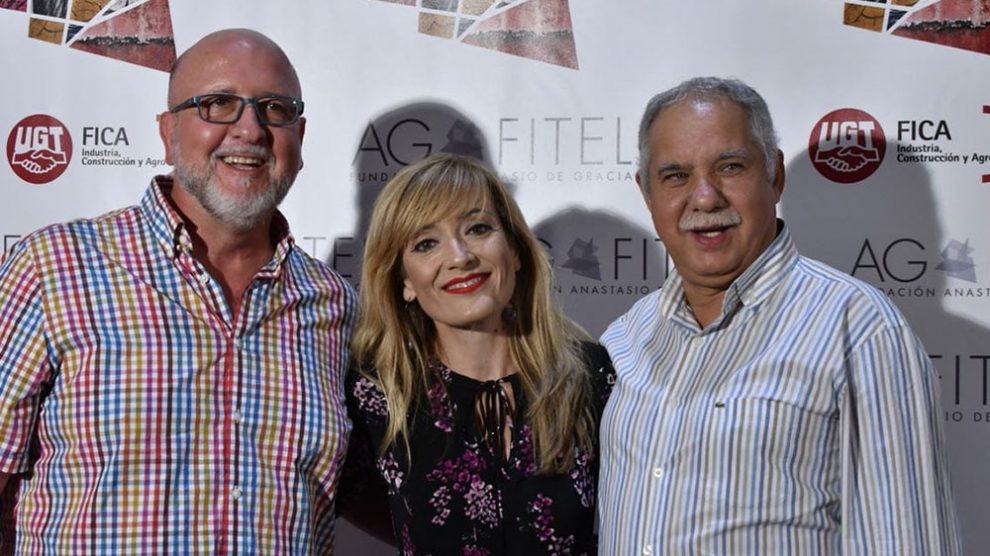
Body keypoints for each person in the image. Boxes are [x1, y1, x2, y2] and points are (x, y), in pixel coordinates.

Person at [0, 29, 356, 553]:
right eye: (218, 104)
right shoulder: (55, 267)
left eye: (274, 108)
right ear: (168, 132)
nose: (250, 129)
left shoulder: (335, 304)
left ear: (299, 138)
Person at [598, 77, 962, 555]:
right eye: (676, 176)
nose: (704, 197)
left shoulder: (859, 328)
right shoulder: (625, 337)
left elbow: (908, 542)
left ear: (774, 177)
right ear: (647, 194)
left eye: (730, 167)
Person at [341, 153, 615, 554]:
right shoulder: (375, 396)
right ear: (404, 282)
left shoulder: (594, 377)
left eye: (477, 228)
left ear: (515, 251)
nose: (460, 256)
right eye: (426, 243)